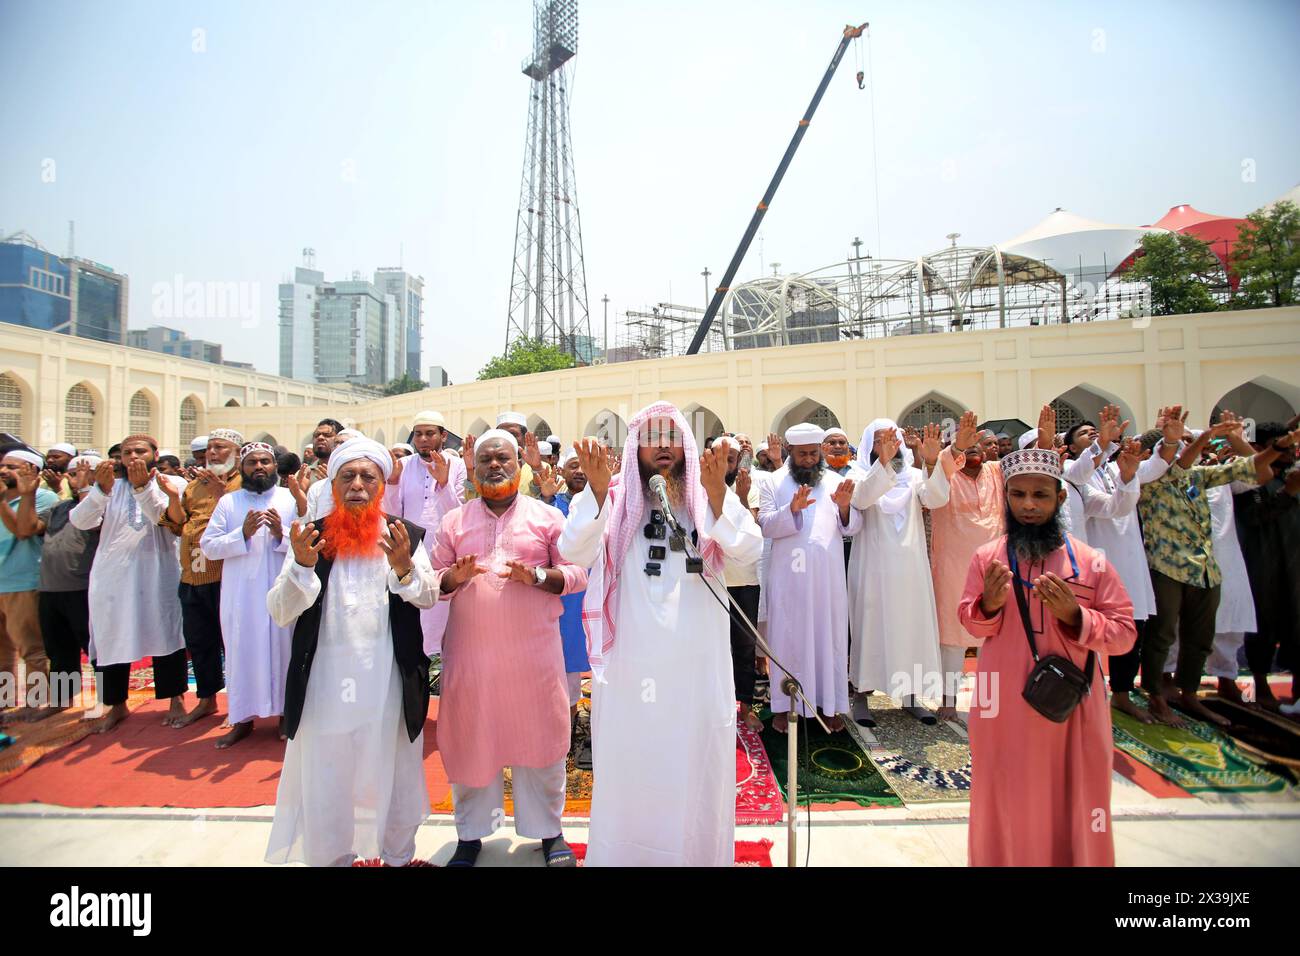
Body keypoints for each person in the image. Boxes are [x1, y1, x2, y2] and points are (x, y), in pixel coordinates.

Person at [558, 402, 762, 866]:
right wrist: (593, 492)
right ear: (636, 448)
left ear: (687, 445)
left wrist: (716, 498)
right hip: (632, 667)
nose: (664, 447)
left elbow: (749, 554)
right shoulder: (610, 498)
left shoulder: (705, 497)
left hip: (697, 667)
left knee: (694, 768)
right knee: (634, 769)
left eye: (673, 437)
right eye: (653, 438)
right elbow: (573, 549)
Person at [959, 447, 1137, 866]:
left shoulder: (1091, 564)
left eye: (1040, 495)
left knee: (1075, 799)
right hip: (1001, 703)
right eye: (1018, 495)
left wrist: (1077, 618)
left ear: (1060, 499)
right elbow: (970, 624)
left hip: (1071, 708)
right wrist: (988, 603)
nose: (1028, 506)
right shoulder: (988, 558)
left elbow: (1125, 634)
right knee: (1003, 795)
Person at [265, 438, 436, 867]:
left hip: (388, 680)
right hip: (325, 681)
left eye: (367, 477)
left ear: (381, 486)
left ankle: (397, 856)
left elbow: (428, 596)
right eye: (348, 477)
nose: (357, 485)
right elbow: (281, 611)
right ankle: (331, 857)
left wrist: (403, 567)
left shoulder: (405, 535)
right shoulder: (312, 537)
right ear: (333, 484)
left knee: (394, 770)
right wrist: (302, 566)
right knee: (327, 773)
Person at [430, 429, 586, 868]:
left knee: (540, 737)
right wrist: (453, 580)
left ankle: (549, 832)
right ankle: (470, 834)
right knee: (471, 739)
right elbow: (430, 582)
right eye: (486, 461)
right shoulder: (453, 522)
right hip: (471, 657)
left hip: (533, 656)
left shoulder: (548, 518)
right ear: (474, 470)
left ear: (519, 465)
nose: (495, 466)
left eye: (503, 459)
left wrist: (536, 578)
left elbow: (577, 573)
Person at [1137, 410, 1287, 727]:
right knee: (1165, 633)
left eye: (1189, 441)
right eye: (1180, 441)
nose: (1186, 446)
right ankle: (1158, 692)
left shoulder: (1208, 476)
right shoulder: (1154, 476)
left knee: (1206, 633)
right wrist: (1183, 440)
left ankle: (1195, 689)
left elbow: (1261, 474)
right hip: (1169, 567)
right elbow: (1171, 467)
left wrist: (1238, 439)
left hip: (1212, 565)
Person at [70, 435, 191, 732]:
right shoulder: (109, 486)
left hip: (158, 571)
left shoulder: (173, 484)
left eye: (140, 451)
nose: (133, 456)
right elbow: (81, 521)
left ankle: (175, 698)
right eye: (127, 452)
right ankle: (116, 704)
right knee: (112, 635)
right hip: (114, 575)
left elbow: (165, 519)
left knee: (167, 633)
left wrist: (142, 489)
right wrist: (99, 491)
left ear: (155, 454)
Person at [847, 419, 956, 726]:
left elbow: (936, 499)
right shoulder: (860, 474)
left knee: (911, 627)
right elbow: (861, 499)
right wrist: (882, 463)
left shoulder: (914, 475)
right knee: (869, 628)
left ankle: (910, 697)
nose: (889, 446)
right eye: (881, 441)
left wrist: (932, 460)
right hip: (873, 568)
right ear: (870, 444)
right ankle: (862, 697)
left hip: (910, 570)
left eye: (893, 440)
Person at [759, 423, 859, 732]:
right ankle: (783, 706)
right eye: (802, 454)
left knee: (827, 639)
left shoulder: (836, 482)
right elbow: (765, 526)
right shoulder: (773, 483)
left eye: (813, 454)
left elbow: (851, 527)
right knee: (787, 639)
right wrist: (791, 510)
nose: (808, 459)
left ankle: (828, 705)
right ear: (790, 452)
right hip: (788, 580)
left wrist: (844, 508)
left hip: (826, 581)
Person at [199, 442, 296, 748]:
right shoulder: (229, 503)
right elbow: (209, 546)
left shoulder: (289, 499)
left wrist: (282, 533)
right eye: (252, 462)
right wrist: (241, 533)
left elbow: (307, 540)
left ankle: (285, 716)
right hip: (242, 596)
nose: (259, 467)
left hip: (282, 591)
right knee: (241, 651)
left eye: (265, 461)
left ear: (274, 466)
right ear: (242, 468)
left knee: (285, 650)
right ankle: (241, 719)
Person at [158, 428, 244, 728]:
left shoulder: (243, 483)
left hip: (227, 577)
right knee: (200, 641)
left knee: (231, 643)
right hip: (193, 576)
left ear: (236, 451)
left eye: (220, 447)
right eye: (210, 448)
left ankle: (240, 706)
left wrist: (223, 493)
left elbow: (245, 522)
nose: (212, 453)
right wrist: (171, 497)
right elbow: (177, 523)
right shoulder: (194, 486)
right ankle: (207, 700)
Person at [928, 413, 1002, 721]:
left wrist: (1046, 442)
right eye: (967, 445)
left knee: (994, 636)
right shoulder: (946, 473)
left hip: (995, 567)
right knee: (953, 637)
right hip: (953, 565)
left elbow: (1034, 467)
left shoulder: (997, 473)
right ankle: (948, 700)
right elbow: (938, 474)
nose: (975, 449)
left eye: (980, 444)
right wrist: (957, 447)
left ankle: (989, 700)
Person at [383, 409, 466, 657]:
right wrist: (393, 483)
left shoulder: (458, 466)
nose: (423, 439)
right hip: (411, 551)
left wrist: (443, 483)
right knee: (412, 610)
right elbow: (391, 513)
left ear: (443, 436)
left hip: (444, 551)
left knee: (442, 612)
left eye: (430, 433)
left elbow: (457, 514)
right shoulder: (402, 466)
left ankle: (437, 665)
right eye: (418, 434)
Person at [1235, 421, 1300, 711]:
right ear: (1262, 448)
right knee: (1264, 624)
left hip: (1295, 562)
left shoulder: (1292, 474)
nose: (1290, 452)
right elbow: (1253, 518)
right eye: (1283, 446)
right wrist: (1287, 492)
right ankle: (1260, 686)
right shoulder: (1251, 479)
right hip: (1264, 563)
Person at [541, 447, 595, 767]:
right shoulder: (554, 506)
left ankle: (596, 737)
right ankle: (564, 740)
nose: (579, 471)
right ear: (562, 473)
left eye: (585, 466)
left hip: (599, 593)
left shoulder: (605, 502)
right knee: (567, 672)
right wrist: (547, 499)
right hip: (567, 599)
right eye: (573, 466)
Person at [37, 454, 102, 713]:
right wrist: (29, 493)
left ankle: (108, 700)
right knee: (59, 648)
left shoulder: (102, 505)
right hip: (51, 588)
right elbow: (28, 528)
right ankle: (63, 698)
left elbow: (90, 519)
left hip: (83, 588)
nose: (78, 478)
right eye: (73, 474)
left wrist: (87, 487)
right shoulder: (58, 507)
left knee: (93, 646)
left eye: (85, 473)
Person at [0, 447, 59, 720]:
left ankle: (37, 702)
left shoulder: (45, 498)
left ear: (31, 471)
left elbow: (24, 531)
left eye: (12, 466)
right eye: (3, 465)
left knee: (32, 648)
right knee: (2, 652)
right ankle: (4, 701)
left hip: (24, 582)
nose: (3, 470)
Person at [716, 436, 763, 733]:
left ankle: (746, 708)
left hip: (744, 581)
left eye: (731, 459)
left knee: (744, 648)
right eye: (722, 457)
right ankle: (715, 708)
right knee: (713, 647)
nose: (727, 464)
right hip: (712, 582)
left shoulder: (749, 486)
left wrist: (744, 498)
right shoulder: (699, 489)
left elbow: (753, 529)